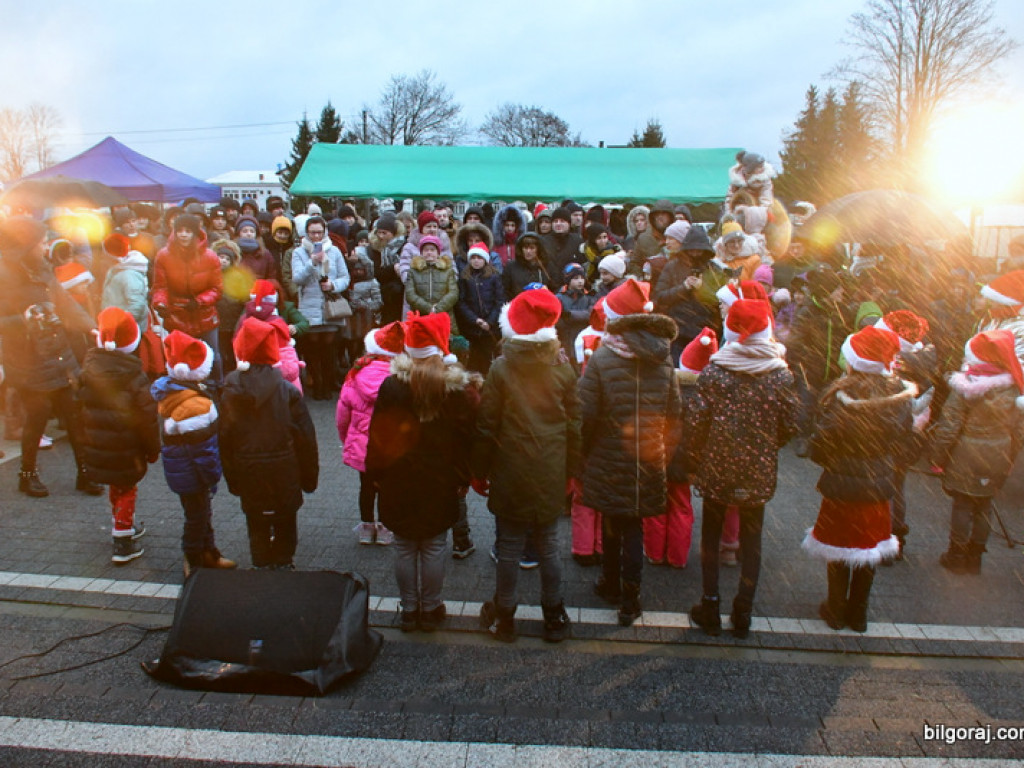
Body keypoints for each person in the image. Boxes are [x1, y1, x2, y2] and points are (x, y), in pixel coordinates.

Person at [474, 288, 580, 643]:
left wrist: (479, 469)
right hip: (550, 464)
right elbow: (574, 424)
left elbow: (487, 425)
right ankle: (553, 614)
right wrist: (571, 470)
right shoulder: (562, 367)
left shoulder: (501, 368)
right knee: (548, 544)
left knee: (509, 545)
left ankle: (504, 615)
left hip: (510, 465)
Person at [688, 298, 798, 638]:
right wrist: (765, 446)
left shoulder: (715, 372)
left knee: (710, 536)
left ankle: (710, 603)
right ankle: (743, 609)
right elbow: (791, 424)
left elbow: (695, 422)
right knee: (752, 540)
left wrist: (698, 456)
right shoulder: (780, 375)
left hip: (718, 465)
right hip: (758, 469)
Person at [365, 313, 481, 632]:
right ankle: (430, 608)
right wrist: (462, 478)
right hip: (440, 480)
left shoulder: (392, 385)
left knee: (404, 545)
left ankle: (408, 608)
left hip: (398, 478)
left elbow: (378, 434)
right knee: (433, 544)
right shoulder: (454, 389)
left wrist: (375, 474)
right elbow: (465, 439)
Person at [802, 326, 918, 632]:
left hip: (841, 485)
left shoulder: (840, 395)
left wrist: (832, 461)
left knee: (838, 547)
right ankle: (859, 613)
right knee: (869, 549)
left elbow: (821, 441)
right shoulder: (899, 397)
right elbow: (906, 439)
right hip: (878, 482)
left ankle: (836, 609)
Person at [580, 280, 681, 627]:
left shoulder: (604, 356)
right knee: (634, 523)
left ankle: (610, 583)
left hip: (608, 452)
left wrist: (582, 453)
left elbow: (585, 412)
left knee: (612, 518)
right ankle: (630, 597)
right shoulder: (663, 355)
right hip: (649, 453)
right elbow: (674, 411)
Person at [0, 217, 100, 497]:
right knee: (38, 416)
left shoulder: (43, 269)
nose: (46, 246)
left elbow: (65, 304)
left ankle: (85, 473)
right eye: (42, 241)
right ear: (26, 245)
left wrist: (91, 327)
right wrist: (22, 319)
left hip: (58, 352)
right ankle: (27, 475)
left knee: (73, 412)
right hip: (26, 358)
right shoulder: (4, 274)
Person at [219, 317, 319, 570]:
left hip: (248, 469)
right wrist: (309, 478)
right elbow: (306, 439)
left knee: (256, 520)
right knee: (286, 519)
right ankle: (284, 561)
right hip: (284, 469)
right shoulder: (288, 392)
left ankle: (261, 563)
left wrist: (233, 480)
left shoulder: (230, 392)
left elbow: (225, 441)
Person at [931, 329, 1024, 574]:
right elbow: (1019, 430)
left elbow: (948, 427)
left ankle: (955, 555)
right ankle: (975, 558)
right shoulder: (1014, 388)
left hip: (967, 452)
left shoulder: (965, 386)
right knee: (984, 503)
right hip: (999, 452)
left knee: (963, 504)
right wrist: (1009, 456)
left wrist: (937, 457)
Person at [77, 307, 160, 564]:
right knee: (126, 488)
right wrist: (153, 448)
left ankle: (121, 522)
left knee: (116, 485)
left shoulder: (88, 371)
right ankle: (122, 540)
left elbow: (77, 409)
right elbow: (147, 418)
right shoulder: (135, 375)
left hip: (98, 444)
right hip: (127, 447)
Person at [151, 331, 236, 577]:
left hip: (183, 471)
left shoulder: (176, 393)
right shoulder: (195, 405)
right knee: (197, 517)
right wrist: (212, 476)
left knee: (200, 514)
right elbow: (202, 450)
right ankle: (194, 560)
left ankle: (209, 553)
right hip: (194, 473)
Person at [648, 328, 717, 569]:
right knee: (681, 507)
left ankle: (655, 552)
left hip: (660, 457)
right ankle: (677, 556)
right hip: (687, 462)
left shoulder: (667, 391)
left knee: (656, 505)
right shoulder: (706, 398)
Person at [337, 322, 405, 546]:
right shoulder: (401, 379)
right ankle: (385, 528)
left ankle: (367, 528)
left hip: (362, 444)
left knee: (365, 486)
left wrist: (346, 437)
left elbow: (342, 414)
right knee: (388, 487)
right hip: (389, 445)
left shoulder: (356, 374)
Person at [152, 214, 224, 384]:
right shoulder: (163, 256)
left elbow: (217, 288)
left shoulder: (210, 256)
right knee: (179, 356)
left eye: (188, 231)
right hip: (177, 313)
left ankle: (217, 388)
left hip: (204, 313)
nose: (183, 235)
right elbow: (160, 286)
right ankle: (182, 391)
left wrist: (200, 301)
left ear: (195, 233)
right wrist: (160, 303)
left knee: (213, 354)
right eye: (180, 231)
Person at [291, 215, 349, 399]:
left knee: (329, 347)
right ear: (306, 233)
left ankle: (328, 383)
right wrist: (312, 262)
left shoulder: (335, 251)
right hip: (309, 305)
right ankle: (317, 385)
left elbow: (344, 277)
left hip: (330, 306)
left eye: (319, 232)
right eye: (312, 232)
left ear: (325, 232)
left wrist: (333, 285)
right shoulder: (299, 252)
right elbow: (297, 278)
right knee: (313, 347)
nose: (316, 236)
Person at [455, 244, 503, 375]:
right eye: (473, 257)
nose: (476, 261)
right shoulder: (464, 278)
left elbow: (499, 301)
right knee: (473, 361)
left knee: (488, 359)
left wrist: (490, 321)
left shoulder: (494, 277)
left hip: (490, 328)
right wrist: (475, 320)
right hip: (472, 327)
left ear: (485, 260)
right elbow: (461, 302)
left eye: (479, 258)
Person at [405, 235, 459, 331]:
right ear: (421, 252)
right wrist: (428, 308)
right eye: (426, 250)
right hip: (420, 317)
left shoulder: (448, 270)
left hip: (444, 316)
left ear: (438, 253)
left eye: (432, 250)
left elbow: (453, 293)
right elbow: (410, 294)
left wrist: (437, 309)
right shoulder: (413, 271)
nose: (429, 252)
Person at [100, 233, 150, 335]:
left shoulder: (129, 275)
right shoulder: (117, 269)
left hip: (128, 331)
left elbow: (137, 305)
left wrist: (123, 325)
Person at [368, 214, 407, 324]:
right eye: (379, 232)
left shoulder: (404, 246)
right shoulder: (374, 248)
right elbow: (376, 272)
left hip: (399, 294)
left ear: (393, 233)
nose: (381, 236)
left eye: (384, 233)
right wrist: (393, 268)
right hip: (381, 292)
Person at [556, 263, 595, 368]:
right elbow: (557, 318)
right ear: (568, 280)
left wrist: (569, 315)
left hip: (583, 340)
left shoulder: (588, 297)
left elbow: (590, 314)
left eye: (582, 278)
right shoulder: (559, 297)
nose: (580, 281)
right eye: (576, 278)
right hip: (566, 339)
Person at [629, 199, 674, 277]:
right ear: (653, 217)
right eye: (657, 214)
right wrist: (643, 276)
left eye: (663, 214)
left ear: (670, 217)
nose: (660, 217)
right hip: (651, 284)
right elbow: (634, 263)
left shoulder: (678, 236)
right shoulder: (644, 238)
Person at [502, 232, 554, 300]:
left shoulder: (547, 266)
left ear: (538, 249)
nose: (528, 251)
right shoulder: (511, 267)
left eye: (532, 248)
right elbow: (505, 290)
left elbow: (554, 288)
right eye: (525, 248)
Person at [541, 208, 585, 277]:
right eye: (555, 221)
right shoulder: (543, 241)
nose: (558, 224)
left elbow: (582, 262)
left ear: (569, 223)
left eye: (562, 221)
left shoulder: (577, 240)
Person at [491, 204, 529, 270]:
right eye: (507, 225)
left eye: (512, 225)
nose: (509, 228)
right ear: (502, 226)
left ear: (517, 227)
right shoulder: (496, 244)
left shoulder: (521, 244)